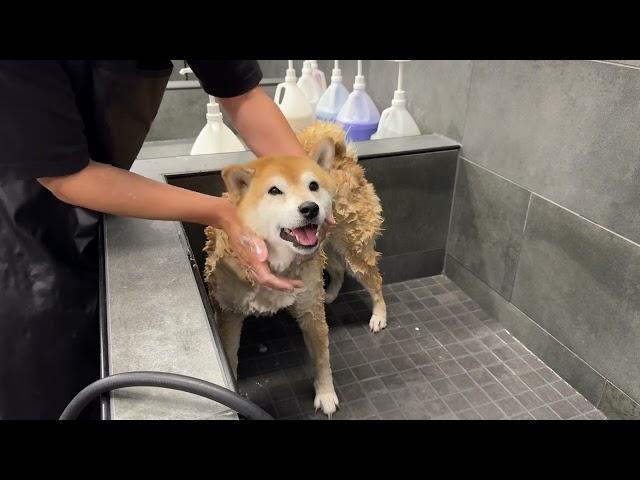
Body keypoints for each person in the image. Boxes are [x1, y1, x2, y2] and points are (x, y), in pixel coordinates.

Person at [0, 60, 327, 419]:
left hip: (103, 195)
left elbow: (242, 95)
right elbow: (66, 177)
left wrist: (312, 187)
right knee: (52, 384)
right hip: (21, 231)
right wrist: (222, 213)